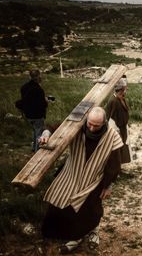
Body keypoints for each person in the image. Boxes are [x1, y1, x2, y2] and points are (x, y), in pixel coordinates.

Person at [41, 107, 124, 254]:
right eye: (89, 124)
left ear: (104, 122)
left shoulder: (113, 136)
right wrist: (46, 133)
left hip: (93, 178)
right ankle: (58, 232)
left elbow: (114, 164)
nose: (91, 128)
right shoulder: (78, 125)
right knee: (60, 198)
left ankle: (79, 236)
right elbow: (56, 127)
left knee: (89, 208)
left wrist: (108, 185)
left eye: (96, 125)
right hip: (72, 171)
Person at [18, 69, 48, 152]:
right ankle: (37, 151)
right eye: (40, 75)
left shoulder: (24, 87)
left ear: (30, 76)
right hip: (37, 115)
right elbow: (42, 104)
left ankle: (33, 147)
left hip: (28, 114)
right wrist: (46, 101)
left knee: (34, 131)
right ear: (38, 76)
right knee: (39, 133)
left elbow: (26, 100)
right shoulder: (38, 89)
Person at [106, 79, 131, 164]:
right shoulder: (113, 101)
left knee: (123, 146)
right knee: (117, 147)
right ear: (120, 90)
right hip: (117, 128)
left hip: (123, 127)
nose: (125, 91)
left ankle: (120, 164)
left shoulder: (121, 99)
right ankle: (116, 166)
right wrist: (116, 130)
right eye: (124, 89)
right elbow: (110, 117)